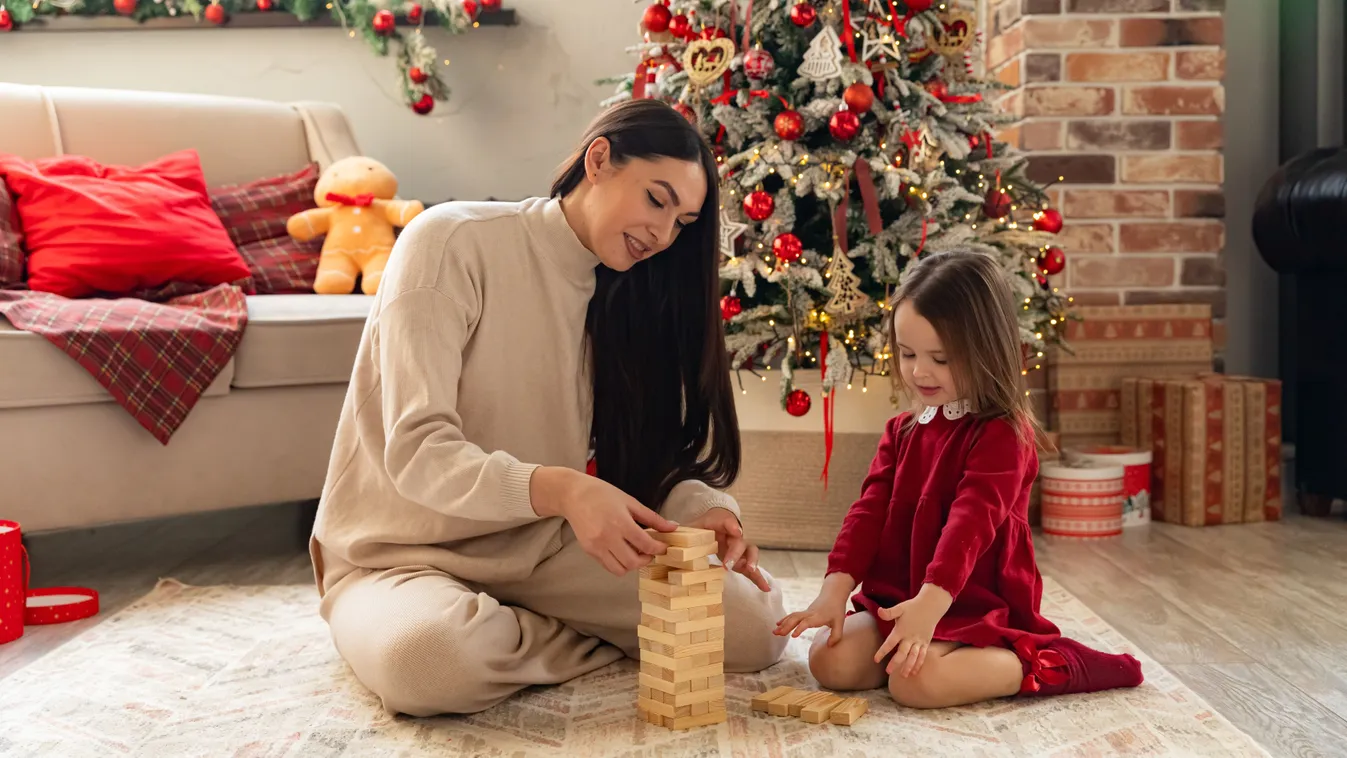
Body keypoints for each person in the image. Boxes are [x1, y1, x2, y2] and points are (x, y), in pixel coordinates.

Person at [309, 98, 787, 718]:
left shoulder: (630, 293)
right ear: (599, 160)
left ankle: (514, 630)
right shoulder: (450, 241)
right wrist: (560, 490)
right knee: (427, 663)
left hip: (544, 550)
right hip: (401, 553)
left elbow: (650, 457)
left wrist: (707, 510)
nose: (664, 234)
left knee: (754, 626)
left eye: (683, 222)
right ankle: (580, 636)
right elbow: (417, 451)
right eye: (657, 199)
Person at [775, 250, 1144, 709]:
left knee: (917, 684)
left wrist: (931, 605)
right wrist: (834, 591)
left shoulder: (1003, 434)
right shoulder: (902, 431)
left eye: (941, 359)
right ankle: (923, 648)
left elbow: (971, 522)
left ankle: (1050, 664)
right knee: (829, 662)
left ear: (986, 351)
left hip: (972, 601)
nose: (920, 372)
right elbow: (868, 510)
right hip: (903, 597)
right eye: (907, 354)